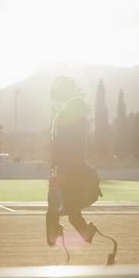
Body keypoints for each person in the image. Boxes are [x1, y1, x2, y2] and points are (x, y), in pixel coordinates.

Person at [46, 77, 100, 247]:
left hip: (69, 170)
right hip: (69, 169)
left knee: (56, 207)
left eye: (56, 93)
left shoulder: (66, 117)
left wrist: (60, 172)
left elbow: (67, 147)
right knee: (70, 210)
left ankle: (57, 232)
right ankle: (85, 232)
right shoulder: (67, 115)